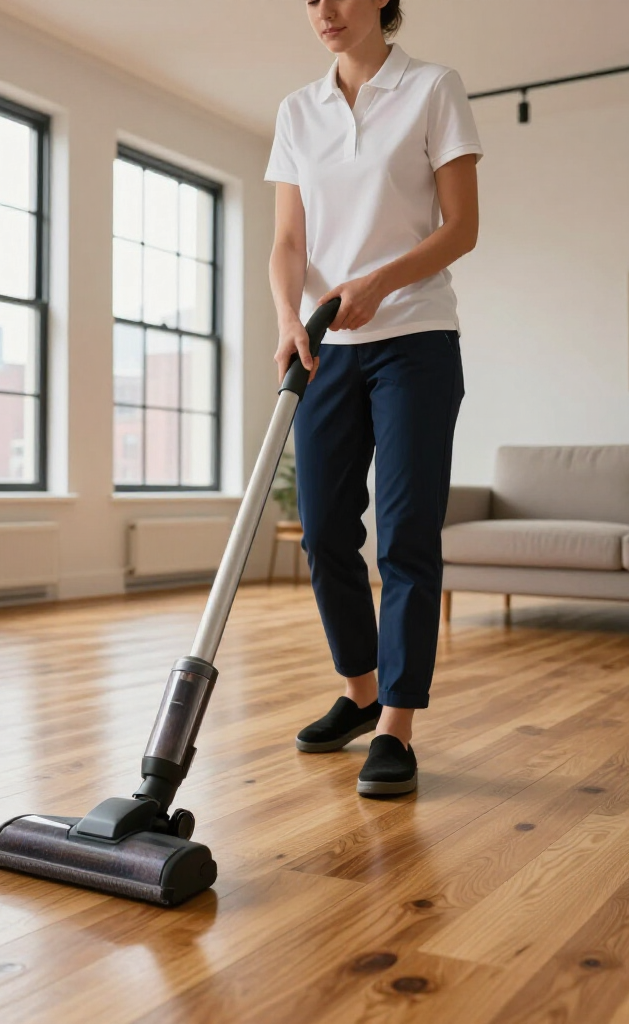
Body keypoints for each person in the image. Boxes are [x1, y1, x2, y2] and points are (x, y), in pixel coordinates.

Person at [265, 0, 482, 796]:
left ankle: (396, 720)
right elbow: (289, 242)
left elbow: (461, 228)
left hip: (417, 341)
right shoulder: (298, 109)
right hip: (327, 348)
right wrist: (291, 318)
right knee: (323, 533)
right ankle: (358, 690)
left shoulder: (432, 88)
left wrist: (379, 282)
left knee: (405, 534)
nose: (323, 9)